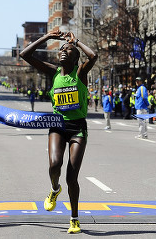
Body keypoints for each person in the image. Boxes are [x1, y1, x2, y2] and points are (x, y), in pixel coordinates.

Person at [19, 29, 97, 234]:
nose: (64, 51)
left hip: (77, 127)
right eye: (62, 49)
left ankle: (74, 218)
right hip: (57, 125)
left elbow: (93, 56)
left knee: (72, 177)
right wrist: (46, 37)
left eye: (68, 50)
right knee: (54, 164)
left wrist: (76, 41)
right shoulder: (53, 73)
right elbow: (24, 55)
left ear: (75, 57)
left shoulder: (80, 73)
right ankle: (54, 189)